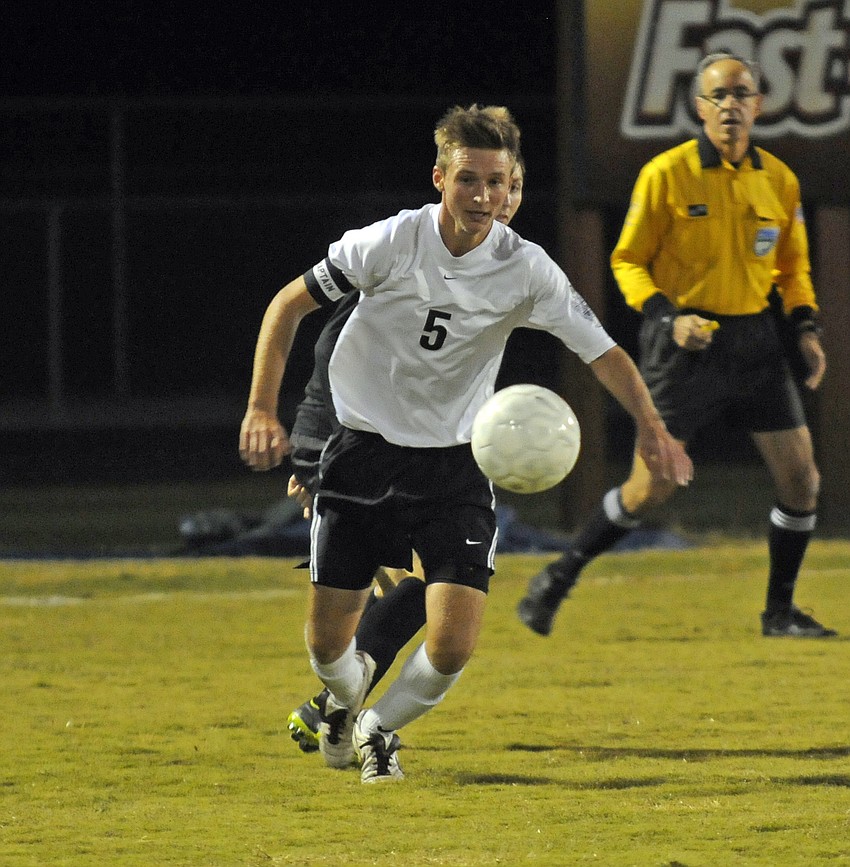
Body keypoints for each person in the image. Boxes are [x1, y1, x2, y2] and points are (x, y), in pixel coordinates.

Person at [239, 104, 692, 783]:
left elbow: (603, 352)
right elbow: (287, 306)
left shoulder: (526, 269)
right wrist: (258, 409)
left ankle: (377, 727)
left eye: (497, 182)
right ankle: (339, 696)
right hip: (361, 451)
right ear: (439, 180)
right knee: (328, 645)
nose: (483, 196)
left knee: (453, 641)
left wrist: (653, 429)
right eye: (468, 181)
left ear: (513, 187)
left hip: (455, 463)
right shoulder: (390, 242)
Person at [517, 53, 833, 640]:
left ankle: (779, 612)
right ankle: (556, 577)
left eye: (741, 94)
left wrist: (807, 330)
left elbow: (793, 269)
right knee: (649, 490)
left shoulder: (780, 180)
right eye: (718, 96)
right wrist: (668, 316)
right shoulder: (667, 173)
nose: (730, 105)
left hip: (757, 342)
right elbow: (627, 260)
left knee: (802, 480)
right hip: (685, 348)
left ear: (759, 105)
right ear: (699, 107)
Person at [284, 160, 527, 754]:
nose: (502, 198)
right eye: (491, 184)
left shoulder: (510, 263)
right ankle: (340, 701)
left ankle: (339, 703)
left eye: (514, 187)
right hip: (355, 439)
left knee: (425, 583)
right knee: (413, 581)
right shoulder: (410, 253)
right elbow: (331, 350)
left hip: (432, 459)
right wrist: (313, 452)